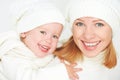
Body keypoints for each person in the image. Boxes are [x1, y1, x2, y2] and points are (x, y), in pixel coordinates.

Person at [0, 1, 81, 80]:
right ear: (24, 31)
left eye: (55, 36)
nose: (49, 40)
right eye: (43, 32)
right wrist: (62, 71)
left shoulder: (48, 56)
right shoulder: (12, 56)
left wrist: (62, 64)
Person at [54, 0, 120, 80]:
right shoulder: (51, 60)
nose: (88, 36)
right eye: (80, 24)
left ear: (112, 30)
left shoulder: (115, 68)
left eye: (99, 24)